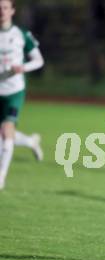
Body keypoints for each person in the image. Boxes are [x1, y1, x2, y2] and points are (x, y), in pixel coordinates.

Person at [0, 0, 44, 189]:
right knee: (2, 134)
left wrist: (22, 68)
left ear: (12, 11)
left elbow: (39, 60)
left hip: (14, 92)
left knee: (6, 130)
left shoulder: (21, 35)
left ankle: (1, 177)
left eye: (5, 7)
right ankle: (30, 141)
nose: (1, 11)